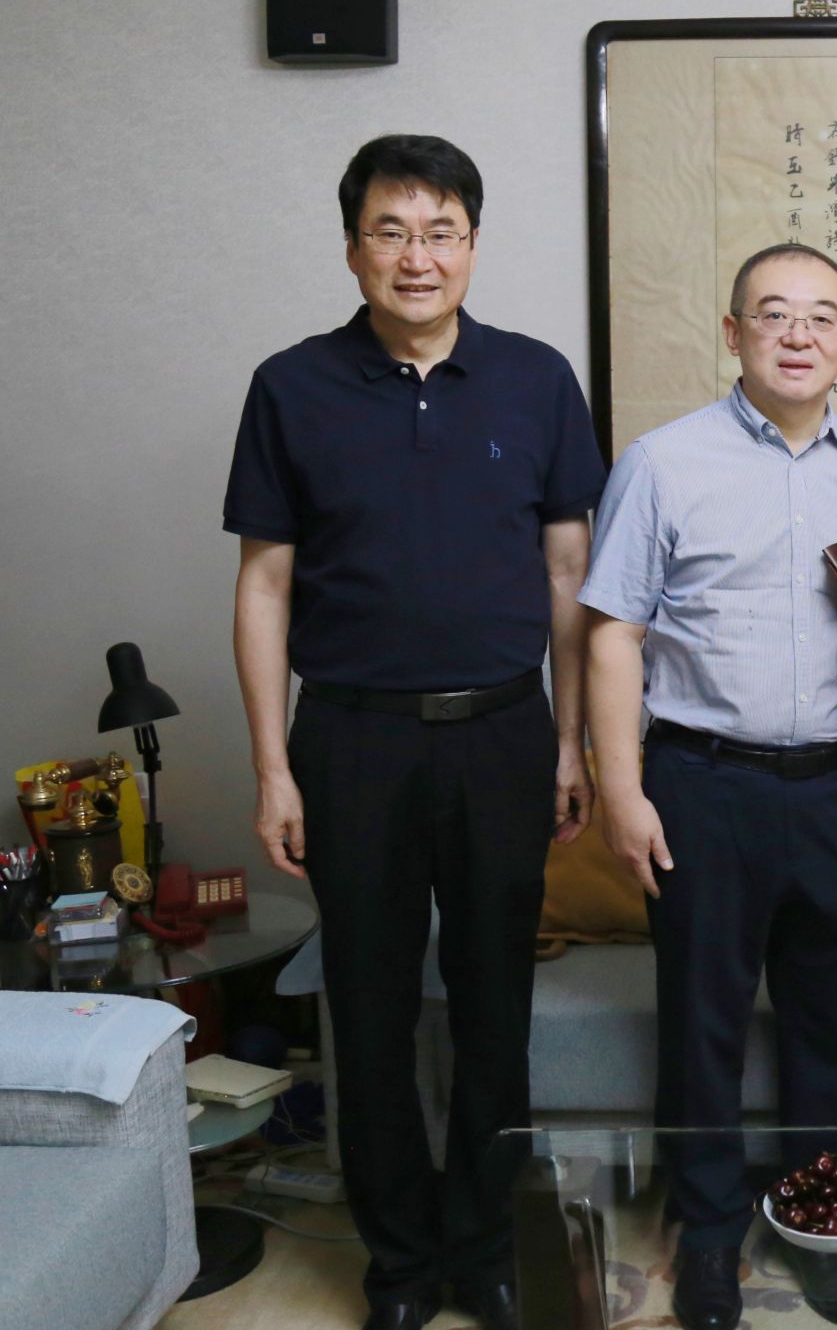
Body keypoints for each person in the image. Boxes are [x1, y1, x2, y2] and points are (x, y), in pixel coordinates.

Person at [225, 134, 606, 1330]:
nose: (417, 257)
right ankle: (396, 1266)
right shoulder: (292, 386)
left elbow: (567, 575)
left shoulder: (535, 379)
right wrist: (273, 768)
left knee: (495, 1011)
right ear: (353, 249)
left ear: (473, 246)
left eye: (441, 232)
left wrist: (569, 745)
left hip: (501, 735)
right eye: (390, 232)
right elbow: (265, 586)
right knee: (371, 1011)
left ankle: (481, 1250)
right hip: (351, 742)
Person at [580, 244, 837, 1330]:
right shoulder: (660, 463)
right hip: (702, 784)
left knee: (835, 1028)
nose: (797, 335)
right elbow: (612, 634)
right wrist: (622, 790)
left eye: (820, 317)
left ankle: (824, 1227)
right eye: (773, 315)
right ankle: (707, 1237)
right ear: (733, 333)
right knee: (703, 1024)